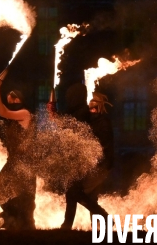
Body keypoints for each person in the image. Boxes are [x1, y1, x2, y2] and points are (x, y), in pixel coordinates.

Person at [60, 90, 114, 230]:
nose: (92, 109)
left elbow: (102, 146)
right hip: (90, 165)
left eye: (95, 106)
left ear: (100, 106)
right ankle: (95, 228)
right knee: (85, 195)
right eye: (90, 106)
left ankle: (103, 218)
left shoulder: (103, 122)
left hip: (100, 165)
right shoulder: (88, 120)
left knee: (74, 192)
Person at [0, 77, 36, 229]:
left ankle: (23, 224)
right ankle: (12, 217)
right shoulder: (14, 116)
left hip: (25, 162)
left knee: (26, 197)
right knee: (0, 187)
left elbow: (3, 111)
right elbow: (0, 109)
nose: (10, 102)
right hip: (14, 160)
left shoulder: (24, 113)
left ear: (18, 99)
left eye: (11, 100)